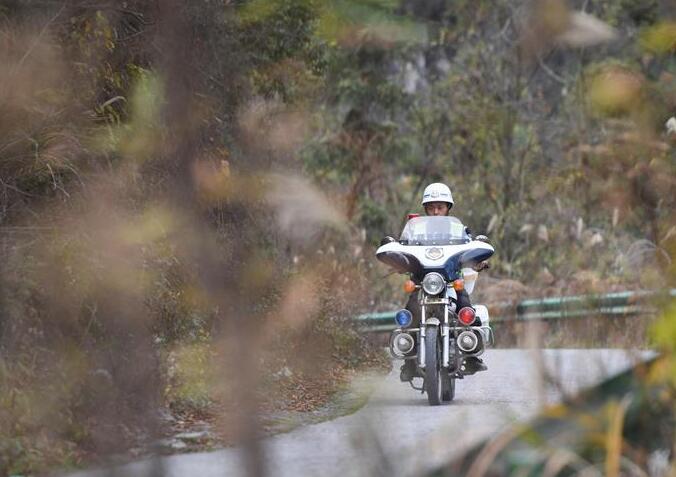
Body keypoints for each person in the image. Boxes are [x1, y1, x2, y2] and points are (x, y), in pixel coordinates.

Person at [400, 182, 488, 381]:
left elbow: (470, 247)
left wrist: (477, 261)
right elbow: (403, 248)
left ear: (448, 208)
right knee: (409, 316)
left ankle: (472, 356)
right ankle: (409, 363)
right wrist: (398, 261)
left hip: (451, 280)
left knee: (467, 310)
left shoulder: (459, 229)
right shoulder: (415, 230)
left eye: (440, 207)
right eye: (431, 207)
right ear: (425, 209)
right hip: (422, 281)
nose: (435, 212)